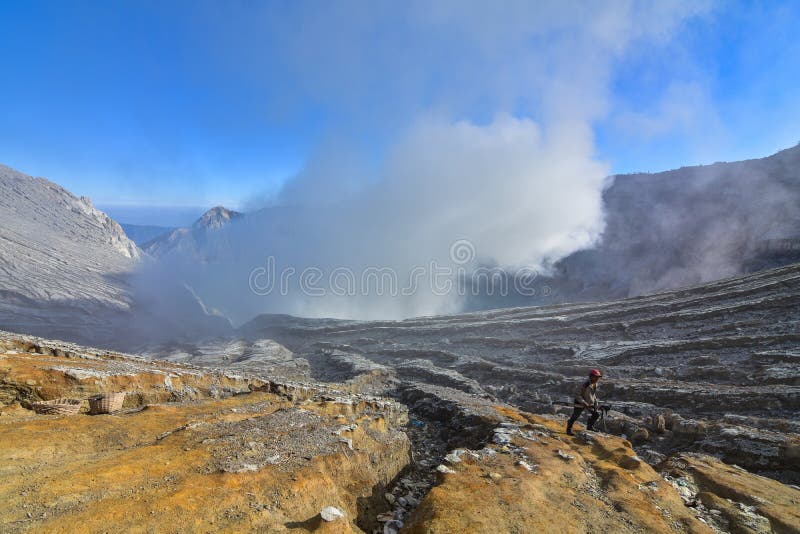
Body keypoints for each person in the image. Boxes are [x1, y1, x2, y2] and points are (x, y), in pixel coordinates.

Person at [566, 369, 602, 436]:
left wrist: (596, 403)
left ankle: (590, 427)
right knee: (575, 416)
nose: (597, 378)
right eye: (596, 377)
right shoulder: (584, 384)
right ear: (591, 376)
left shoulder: (595, 384)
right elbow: (577, 394)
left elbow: (593, 394)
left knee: (596, 414)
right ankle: (568, 430)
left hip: (589, 403)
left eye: (598, 377)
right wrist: (583, 402)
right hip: (579, 402)